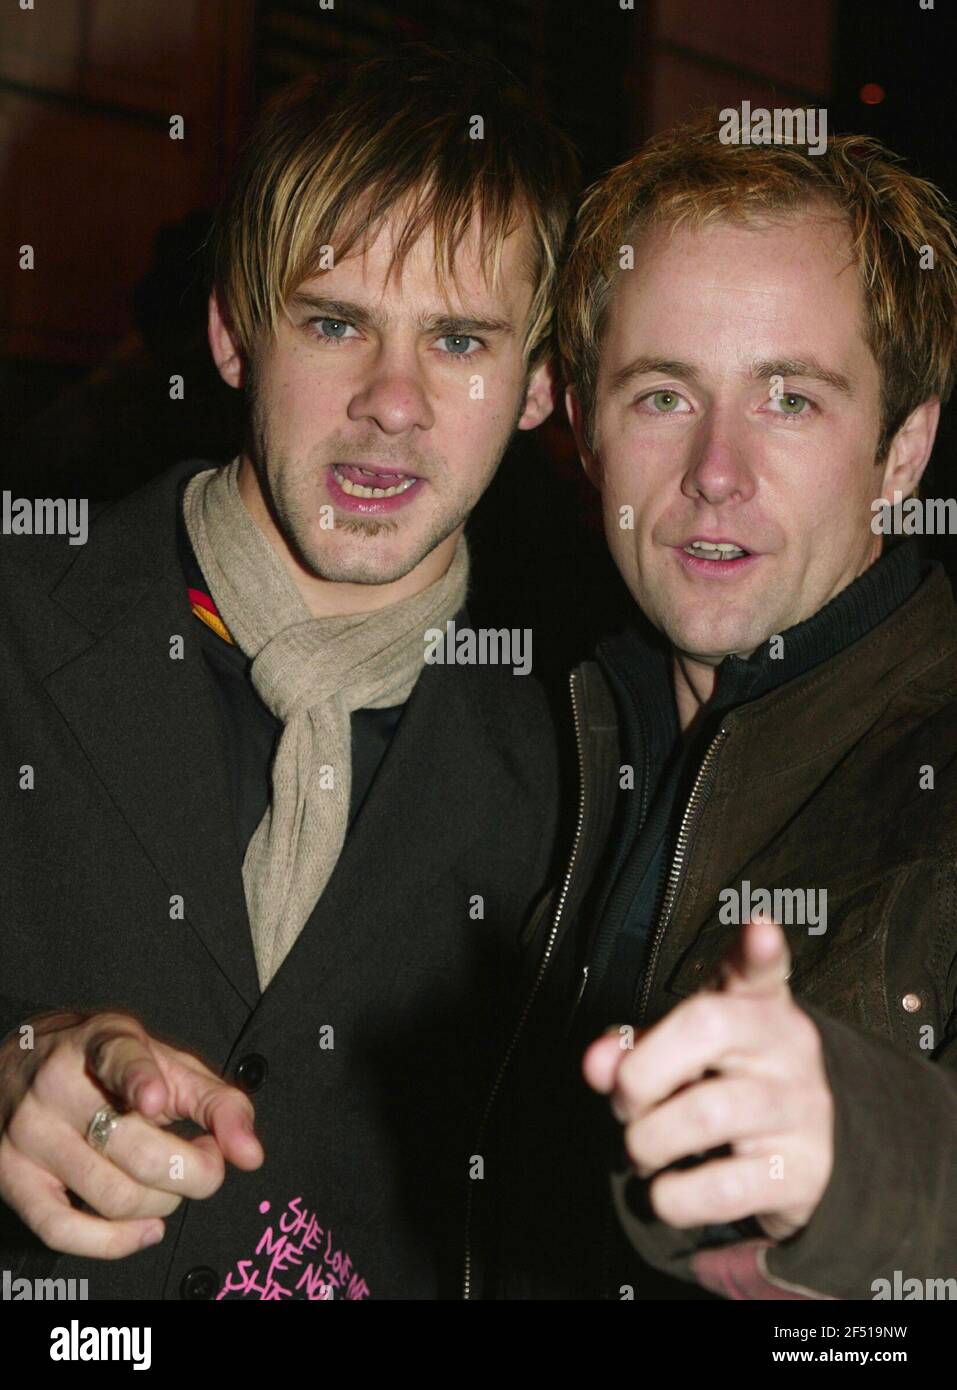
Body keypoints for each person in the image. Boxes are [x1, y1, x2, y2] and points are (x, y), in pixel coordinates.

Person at [0, 47, 579, 1301]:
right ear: (230, 333)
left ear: (539, 384)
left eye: (459, 340)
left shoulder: (578, 783)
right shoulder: (19, 623)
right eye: (335, 322)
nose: (392, 401)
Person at [477, 113, 957, 1300]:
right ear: (584, 430)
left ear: (902, 453)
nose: (716, 472)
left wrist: (870, 1173)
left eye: (790, 399)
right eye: (662, 396)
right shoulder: (534, 740)